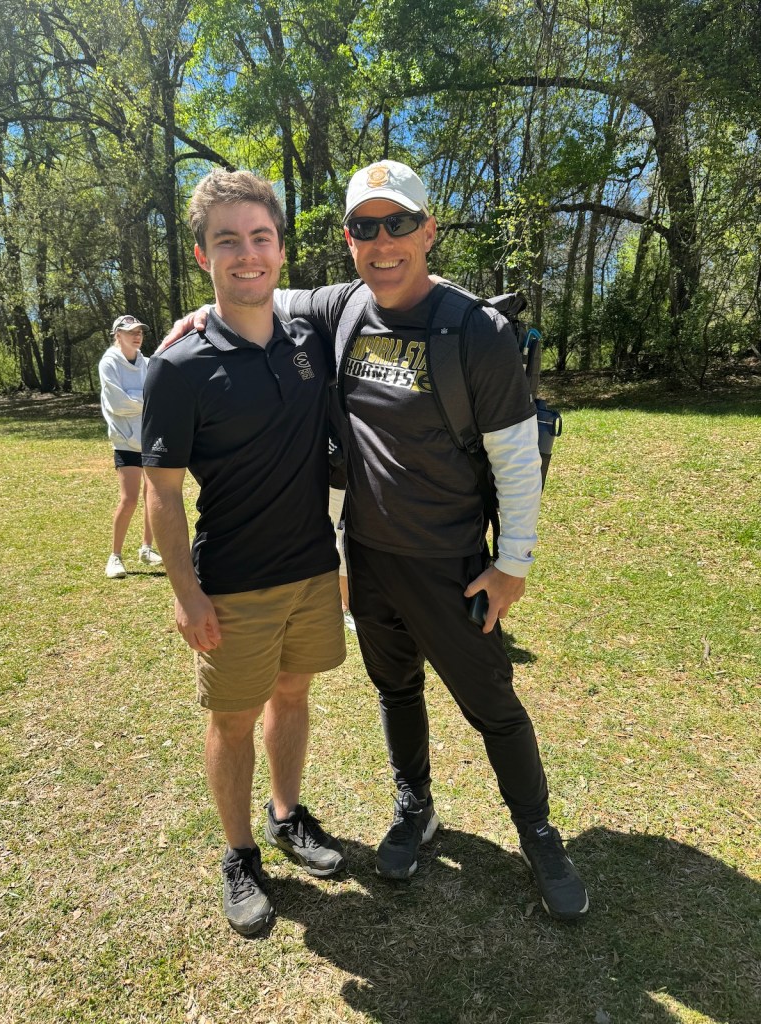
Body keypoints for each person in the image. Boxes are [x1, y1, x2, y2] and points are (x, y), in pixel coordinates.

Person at [166, 160, 589, 921]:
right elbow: (259, 283)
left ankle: (538, 834)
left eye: (399, 224)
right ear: (349, 239)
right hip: (366, 555)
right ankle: (415, 806)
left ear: (429, 231)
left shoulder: (477, 330)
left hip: (452, 563)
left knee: (492, 704)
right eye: (367, 227)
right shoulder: (346, 305)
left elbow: (516, 456)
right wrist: (203, 310)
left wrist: (513, 564)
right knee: (397, 690)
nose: (383, 242)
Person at [141, 169, 347, 938]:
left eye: (260, 237)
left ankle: (287, 816)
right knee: (232, 721)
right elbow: (162, 491)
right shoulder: (178, 366)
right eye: (227, 241)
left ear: (281, 250)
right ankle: (239, 855)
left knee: (293, 695)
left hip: (313, 570)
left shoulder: (311, 340)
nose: (247, 253)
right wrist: (184, 593)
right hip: (231, 585)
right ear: (203, 256)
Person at [98, 315, 164, 578]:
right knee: (129, 499)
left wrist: (138, 399)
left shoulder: (147, 362)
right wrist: (145, 400)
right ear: (118, 335)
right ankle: (115, 557)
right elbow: (118, 404)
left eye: (140, 332)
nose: (137, 336)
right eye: (130, 332)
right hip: (125, 441)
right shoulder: (109, 362)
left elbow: (158, 396)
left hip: (149, 437)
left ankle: (146, 548)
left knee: (152, 495)